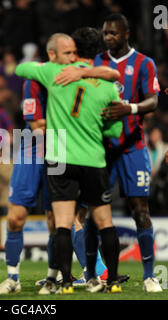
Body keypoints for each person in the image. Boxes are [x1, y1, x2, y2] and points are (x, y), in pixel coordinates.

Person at [15, 30, 123, 294]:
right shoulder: (107, 84)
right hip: (94, 160)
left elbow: (21, 69)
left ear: (74, 49)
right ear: (99, 52)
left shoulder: (56, 75)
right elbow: (115, 132)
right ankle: (109, 280)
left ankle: (65, 283)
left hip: (61, 158)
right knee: (104, 223)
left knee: (63, 222)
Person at [94, 13, 162, 293]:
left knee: (140, 210)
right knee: (94, 211)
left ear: (126, 34)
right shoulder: (97, 62)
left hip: (133, 147)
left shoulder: (144, 63)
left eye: (113, 33)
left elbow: (153, 100)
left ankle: (149, 276)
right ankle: (96, 274)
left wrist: (130, 108)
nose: (108, 37)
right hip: (101, 149)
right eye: (105, 33)